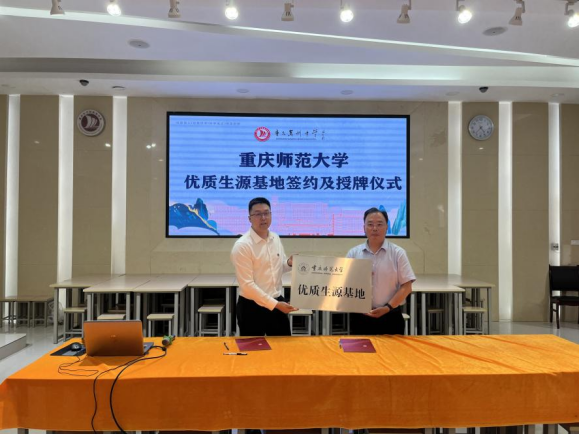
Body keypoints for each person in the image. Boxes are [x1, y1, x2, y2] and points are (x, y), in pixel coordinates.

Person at [231, 197, 298, 336]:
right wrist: (275, 304)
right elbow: (247, 285)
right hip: (251, 307)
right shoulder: (242, 246)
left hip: (277, 302)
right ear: (249, 218)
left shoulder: (275, 238)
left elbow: (278, 267)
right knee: (254, 349)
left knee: (283, 347)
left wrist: (289, 263)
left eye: (266, 213)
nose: (263, 218)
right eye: (258, 214)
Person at [346, 207, 415, 335]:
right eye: (370, 224)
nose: (375, 228)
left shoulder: (398, 253)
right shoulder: (353, 253)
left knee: (392, 348)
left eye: (379, 224)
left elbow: (407, 286)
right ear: (364, 228)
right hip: (360, 316)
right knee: (360, 348)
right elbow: (345, 285)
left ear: (387, 227)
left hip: (390, 315)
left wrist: (387, 308)